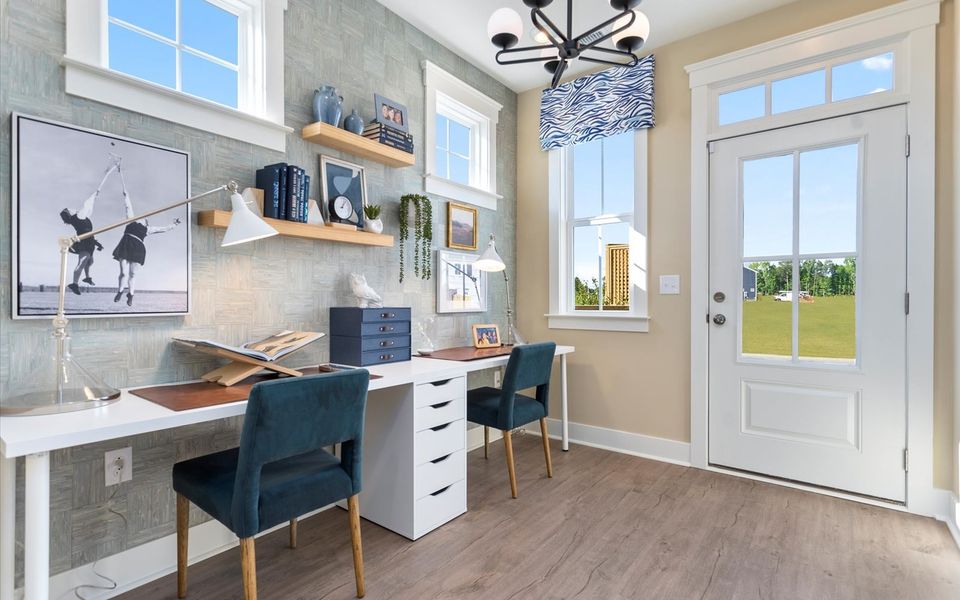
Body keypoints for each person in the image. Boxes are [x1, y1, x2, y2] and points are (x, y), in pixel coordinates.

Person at [111, 165, 181, 307]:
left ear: (146, 221)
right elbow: (128, 205)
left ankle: (131, 294)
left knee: (132, 274)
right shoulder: (131, 219)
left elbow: (164, 229)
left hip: (138, 249)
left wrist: (175, 224)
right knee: (123, 273)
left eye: (145, 218)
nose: (142, 218)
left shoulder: (148, 229)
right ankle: (120, 291)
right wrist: (125, 192)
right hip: (125, 245)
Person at [60, 156, 119, 295]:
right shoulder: (78, 216)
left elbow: (88, 230)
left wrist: (97, 244)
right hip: (85, 242)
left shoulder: (79, 218)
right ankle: (74, 284)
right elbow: (87, 205)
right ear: (69, 213)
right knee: (82, 262)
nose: (72, 207)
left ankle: (87, 278)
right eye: (70, 208)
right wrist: (95, 194)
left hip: (88, 240)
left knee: (90, 262)